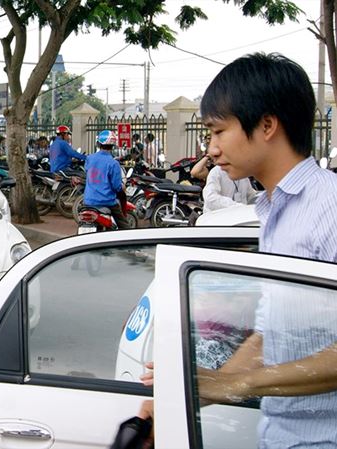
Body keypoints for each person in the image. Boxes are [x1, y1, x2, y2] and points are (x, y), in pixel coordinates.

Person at [137, 53, 337, 447]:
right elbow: (272, 337)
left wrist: (232, 383)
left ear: (266, 125)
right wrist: (195, 391)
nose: (211, 149)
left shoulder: (328, 209)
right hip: (279, 436)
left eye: (218, 131)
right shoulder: (275, 210)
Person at [83, 130, 131, 229]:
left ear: (98, 143)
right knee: (124, 224)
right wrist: (122, 187)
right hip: (106, 202)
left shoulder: (89, 158)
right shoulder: (113, 163)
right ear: (113, 146)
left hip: (88, 201)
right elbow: (116, 186)